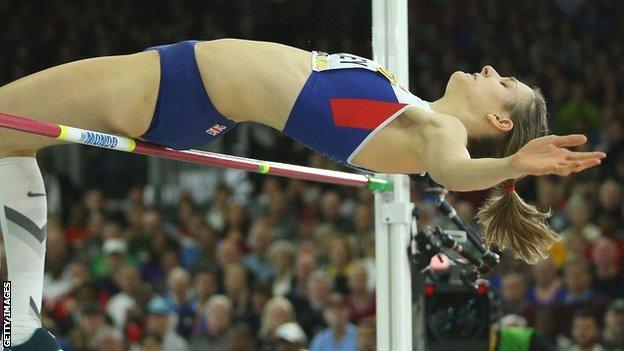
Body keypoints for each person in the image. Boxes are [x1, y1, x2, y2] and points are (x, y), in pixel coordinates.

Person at [0, 38, 606, 349]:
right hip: (187, 97)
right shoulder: (416, 111)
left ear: (499, 125)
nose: (492, 73)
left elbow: (453, 172)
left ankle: (24, 333)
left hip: (176, 86)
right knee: (12, 145)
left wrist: (509, 168)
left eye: (505, 88)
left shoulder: (439, 132)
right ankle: (22, 328)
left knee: (6, 124)